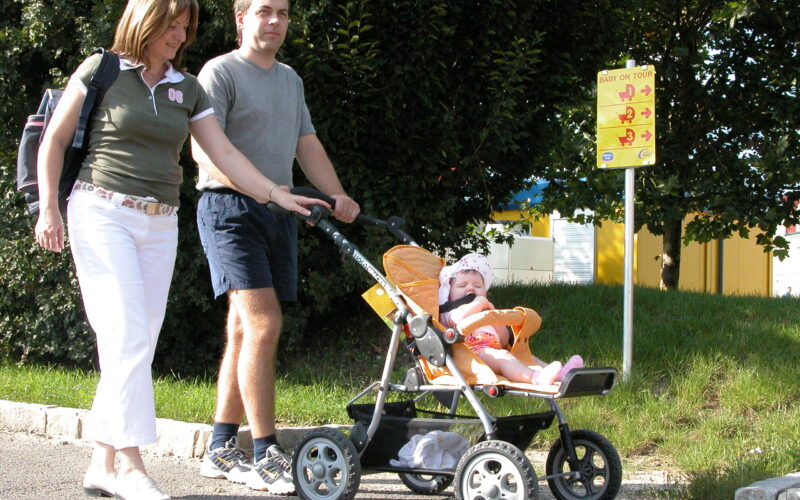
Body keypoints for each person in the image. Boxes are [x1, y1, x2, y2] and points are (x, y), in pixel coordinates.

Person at [33, 1, 326, 498]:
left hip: (159, 221)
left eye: (185, 26)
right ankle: (129, 465)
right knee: (126, 338)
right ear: (143, 21)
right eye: (171, 25)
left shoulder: (185, 88)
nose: (179, 34)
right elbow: (54, 142)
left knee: (137, 344)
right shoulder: (101, 70)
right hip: (101, 210)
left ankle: (102, 461)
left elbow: (226, 153)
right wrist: (48, 208)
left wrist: (277, 193)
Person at [190, 0, 360, 494]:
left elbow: (307, 143)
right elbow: (206, 149)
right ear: (241, 18)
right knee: (265, 323)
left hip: (280, 211)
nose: (275, 21)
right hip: (229, 209)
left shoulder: (290, 80)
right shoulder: (219, 72)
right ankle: (266, 451)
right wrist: (263, 191)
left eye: (283, 13)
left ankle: (221, 447)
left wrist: (336, 195)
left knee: (245, 327)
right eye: (264, 11)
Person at [439, 253, 584, 385]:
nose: (470, 288)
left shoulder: (484, 311)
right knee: (503, 357)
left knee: (528, 357)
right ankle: (535, 378)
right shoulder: (450, 312)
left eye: (477, 285)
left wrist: (493, 317)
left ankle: (561, 375)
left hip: (492, 351)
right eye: (462, 285)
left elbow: (502, 340)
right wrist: (479, 303)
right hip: (472, 356)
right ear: (448, 293)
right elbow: (458, 319)